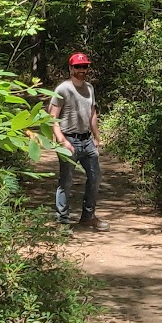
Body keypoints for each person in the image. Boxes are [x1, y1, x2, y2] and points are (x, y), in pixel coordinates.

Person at [48, 52, 103, 228]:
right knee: (66, 181)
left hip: (87, 140)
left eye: (84, 66)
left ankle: (88, 216)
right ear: (71, 68)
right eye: (78, 67)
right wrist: (62, 141)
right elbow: (52, 118)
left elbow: (92, 114)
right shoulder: (62, 89)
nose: (82, 70)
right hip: (69, 139)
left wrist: (97, 137)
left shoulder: (90, 88)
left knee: (95, 177)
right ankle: (62, 221)